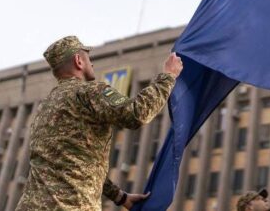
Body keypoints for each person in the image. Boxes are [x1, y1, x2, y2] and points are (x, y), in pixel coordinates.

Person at [15, 35, 183, 210]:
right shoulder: (88, 92)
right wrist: (168, 76)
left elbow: (74, 163)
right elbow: (136, 113)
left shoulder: (45, 106)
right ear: (79, 61)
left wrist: (119, 196)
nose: (92, 64)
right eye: (89, 58)